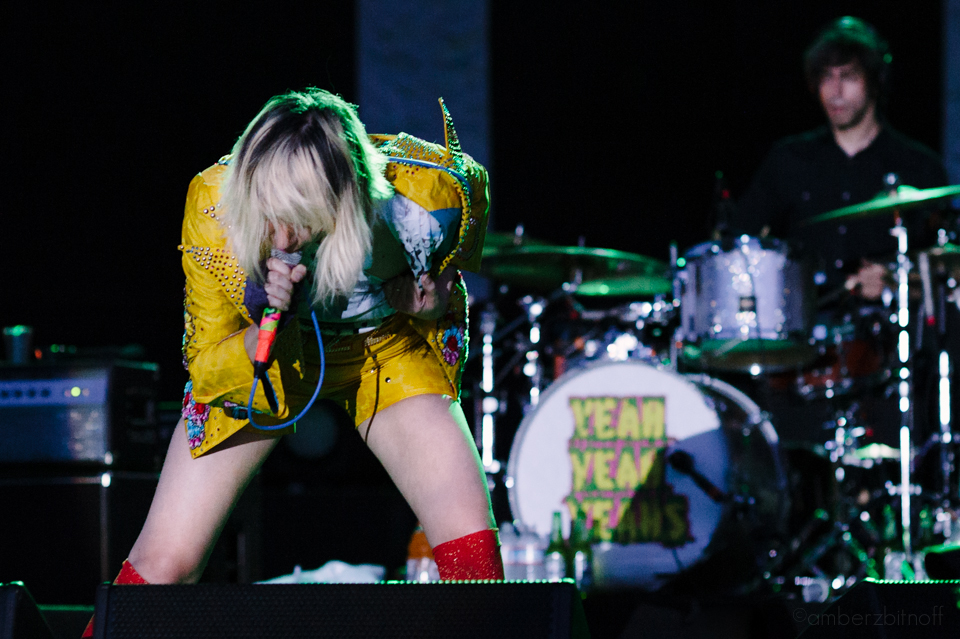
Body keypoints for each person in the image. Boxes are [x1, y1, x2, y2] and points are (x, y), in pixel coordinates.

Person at [82, 88, 501, 636]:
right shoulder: (211, 208)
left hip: (385, 351)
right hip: (270, 364)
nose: (281, 236)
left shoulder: (428, 199)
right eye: (267, 213)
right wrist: (266, 324)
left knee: (475, 561)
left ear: (348, 201)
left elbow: (462, 233)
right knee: (162, 565)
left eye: (300, 220)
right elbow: (205, 365)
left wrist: (429, 301)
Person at [734, 16, 948, 299]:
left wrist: (894, 281)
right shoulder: (789, 160)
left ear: (874, 82)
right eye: (826, 77)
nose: (835, 92)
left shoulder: (918, 166)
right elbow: (739, 243)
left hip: (882, 321)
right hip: (804, 319)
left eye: (848, 77)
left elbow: (945, 270)